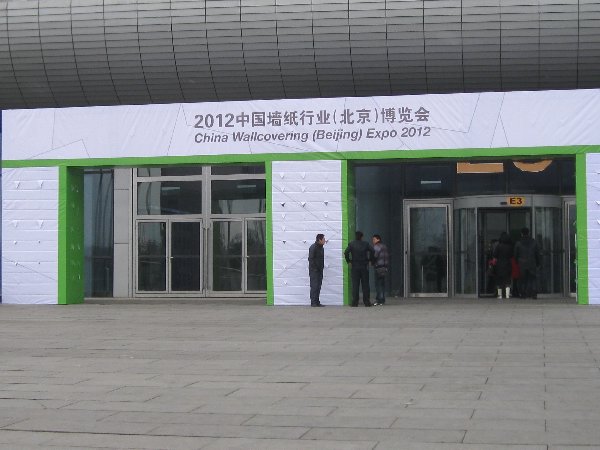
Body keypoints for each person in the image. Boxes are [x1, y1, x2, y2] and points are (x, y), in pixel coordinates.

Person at [344, 231, 375, 307]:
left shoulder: (351, 244)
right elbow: (372, 250)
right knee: (365, 285)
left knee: (355, 285)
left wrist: (349, 261)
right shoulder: (366, 244)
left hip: (355, 266)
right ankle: (366, 302)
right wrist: (370, 260)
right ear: (362, 237)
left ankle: (355, 302)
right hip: (364, 266)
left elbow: (346, 252)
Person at [514, 227, 541, 298]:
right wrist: (538, 262)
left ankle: (523, 293)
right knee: (533, 278)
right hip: (532, 262)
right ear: (529, 233)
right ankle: (534, 293)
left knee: (522, 279)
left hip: (522, 263)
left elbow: (515, 254)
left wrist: (517, 261)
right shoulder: (534, 242)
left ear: (521, 233)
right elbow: (537, 253)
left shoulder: (518, 243)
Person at [493, 232, 513, 299]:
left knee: (499, 282)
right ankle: (507, 295)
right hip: (508, 265)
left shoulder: (498, 246)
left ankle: (500, 295)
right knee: (507, 281)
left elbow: (495, 256)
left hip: (499, 266)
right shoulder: (510, 247)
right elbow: (511, 256)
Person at [308, 233, 326, 307]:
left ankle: (317, 301)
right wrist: (315, 269)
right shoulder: (313, 247)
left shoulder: (321, 248)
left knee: (318, 286)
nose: (324, 241)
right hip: (314, 271)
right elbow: (311, 259)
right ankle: (313, 302)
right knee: (314, 286)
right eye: (323, 239)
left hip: (320, 270)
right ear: (319, 240)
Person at [371, 234, 389, 306]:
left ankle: (379, 300)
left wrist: (372, 262)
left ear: (378, 239)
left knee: (378, 284)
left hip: (378, 267)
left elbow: (374, 256)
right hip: (384, 267)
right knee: (382, 284)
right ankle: (383, 299)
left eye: (374, 239)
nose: (373, 241)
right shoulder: (384, 246)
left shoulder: (376, 246)